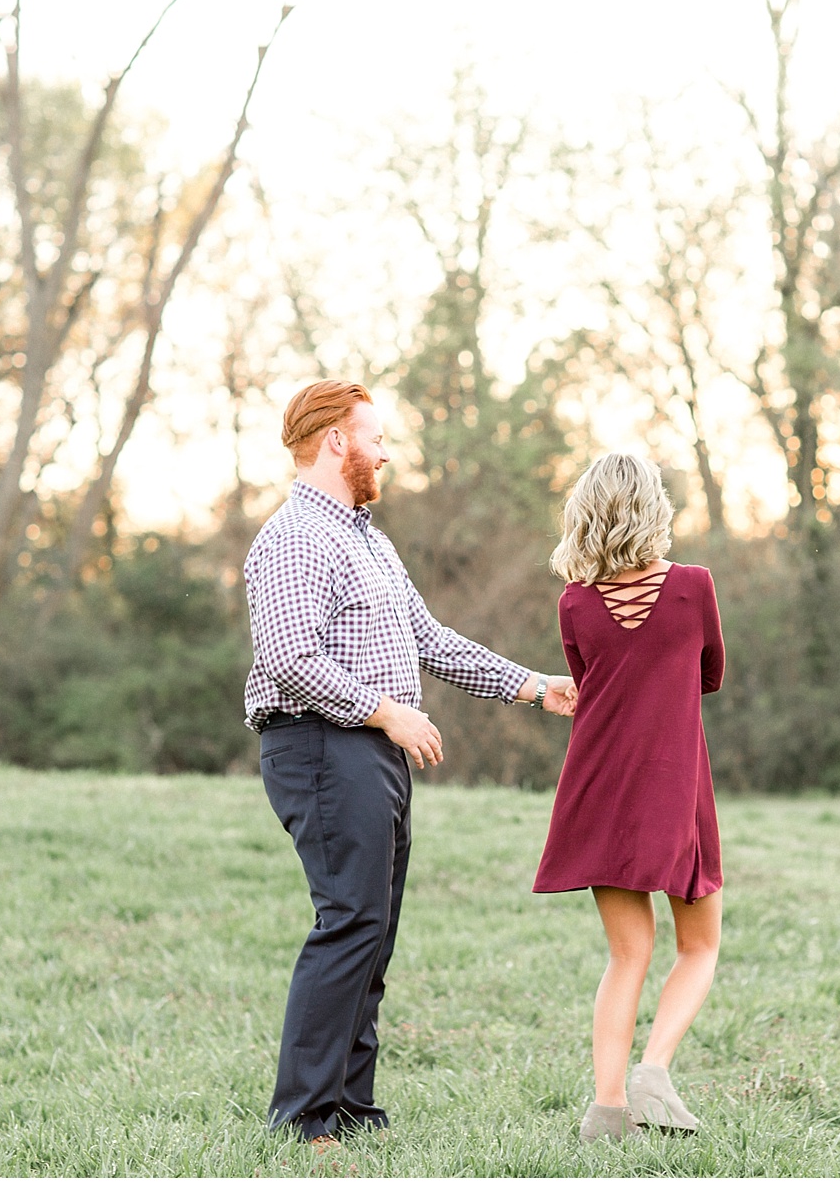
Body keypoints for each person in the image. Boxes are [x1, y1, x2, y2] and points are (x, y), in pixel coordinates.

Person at [243, 379, 578, 1145]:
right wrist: (386, 711)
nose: (386, 453)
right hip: (322, 744)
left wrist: (534, 686)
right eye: (377, 437)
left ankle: (352, 1108)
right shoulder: (296, 536)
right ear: (336, 441)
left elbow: (430, 639)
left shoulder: (369, 540)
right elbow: (289, 658)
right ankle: (304, 1122)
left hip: (370, 750)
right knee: (349, 922)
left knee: (374, 931)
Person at [532, 452, 727, 1143]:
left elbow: (588, 681)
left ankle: (607, 1111)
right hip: (673, 785)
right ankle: (653, 1071)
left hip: (599, 792)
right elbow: (710, 673)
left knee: (626, 954)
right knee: (699, 946)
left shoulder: (575, 602)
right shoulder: (693, 587)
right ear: (654, 509)